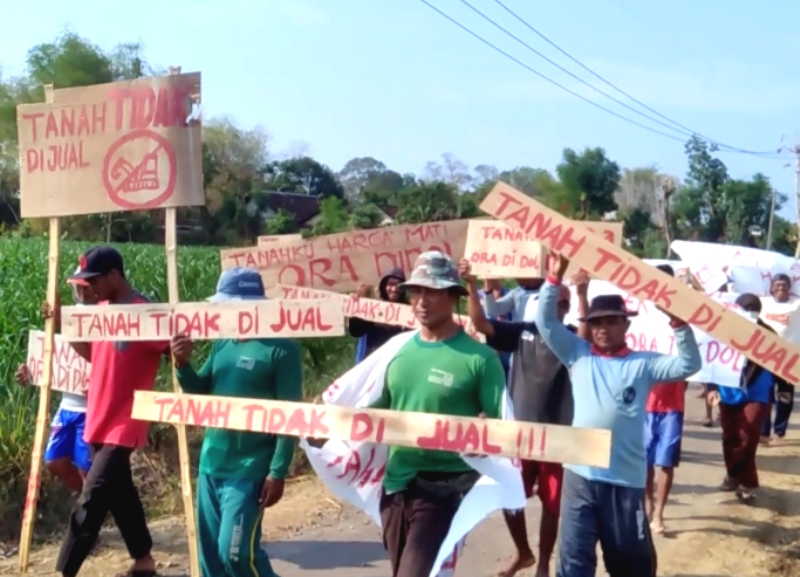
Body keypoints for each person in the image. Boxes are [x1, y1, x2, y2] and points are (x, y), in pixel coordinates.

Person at [538, 252, 702, 577]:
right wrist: (553, 279)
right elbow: (546, 322)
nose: (603, 328)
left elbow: (689, 365)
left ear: (626, 323)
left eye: (612, 321)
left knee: (630, 566)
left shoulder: (643, 363)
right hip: (580, 476)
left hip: (624, 480)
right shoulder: (577, 353)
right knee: (572, 563)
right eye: (596, 322)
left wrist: (678, 321)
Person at [369, 251, 507, 577]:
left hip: (446, 487)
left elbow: (501, 421)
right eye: (416, 292)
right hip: (396, 486)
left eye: (432, 291)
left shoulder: (480, 358)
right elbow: (374, 409)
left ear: (453, 296)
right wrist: (326, 423)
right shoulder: (396, 351)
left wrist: (486, 431)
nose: (421, 300)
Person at [172, 267, 302, 577]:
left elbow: (291, 415)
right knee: (211, 563)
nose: (221, 309)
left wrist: (277, 472)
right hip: (212, 464)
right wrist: (182, 364)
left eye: (227, 303)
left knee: (236, 555)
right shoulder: (223, 342)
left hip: (250, 470)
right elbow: (202, 389)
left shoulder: (281, 349)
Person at [54, 246, 169, 577]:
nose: (90, 287)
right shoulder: (100, 309)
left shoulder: (144, 311)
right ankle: (144, 561)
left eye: (95, 280)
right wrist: (66, 324)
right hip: (98, 417)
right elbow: (92, 354)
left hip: (126, 421)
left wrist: (182, 351)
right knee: (121, 495)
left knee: (92, 498)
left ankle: (66, 569)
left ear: (114, 275)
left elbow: (172, 350)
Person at [461, 259, 576, 577]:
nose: (555, 307)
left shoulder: (576, 339)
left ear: (567, 307)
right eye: (550, 301)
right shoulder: (522, 332)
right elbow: (481, 323)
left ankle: (542, 562)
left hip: (558, 438)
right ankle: (523, 552)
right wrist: (472, 285)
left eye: (561, 302)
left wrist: (584, 289)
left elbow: (600, 334)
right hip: (519, 434)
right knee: (509, 494)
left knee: (552, 504)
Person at [15, 267, 96, 495]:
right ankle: (92, 504)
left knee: (85, 467)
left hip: (89, 408)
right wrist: (32, 370)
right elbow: (56, 353)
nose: (81, 291)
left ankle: (91, 510)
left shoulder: (103, 317)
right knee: (54, 460)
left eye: (86, 286)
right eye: (78, 286)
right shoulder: (69, 314)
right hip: (68, 405)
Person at [712, 293, 776, 502]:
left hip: (757, 390)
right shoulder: (721, 331)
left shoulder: (768, 334)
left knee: (748, 436)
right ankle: (735, 477)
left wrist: (785, 389)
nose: (748, 310)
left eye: (752, 307)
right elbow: (709, 359)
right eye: (744, 307)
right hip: (728, 390)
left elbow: (782, 362)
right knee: (730, 437)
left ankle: (744, 481)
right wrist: (711, 387)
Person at [644, 263, 690, 534]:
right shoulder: (637, 313)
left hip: (672, 402)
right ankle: (648, 505)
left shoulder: (681, 311)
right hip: (643, 400)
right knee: (644, 461)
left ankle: (659, 513)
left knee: (666, 460)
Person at [758, 274, 796, 444]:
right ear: (771, 287)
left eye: (785, 285)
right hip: (765, 357)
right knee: (765, 395)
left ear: (790, 287)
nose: (781, 289)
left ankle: (779, 433)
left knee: (785, 395)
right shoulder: (762, 303)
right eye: (778, 285)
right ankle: (763, 432)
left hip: (788, 359)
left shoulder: (797, 304)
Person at [349, 268, 409, 363]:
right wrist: (356, 307)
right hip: (375, 363)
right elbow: (356, 331)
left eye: (398, 285)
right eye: (390, 284)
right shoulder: (374, 308)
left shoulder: (409, 310)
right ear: (383, 286)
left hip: (399, 362)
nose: (394, 289)